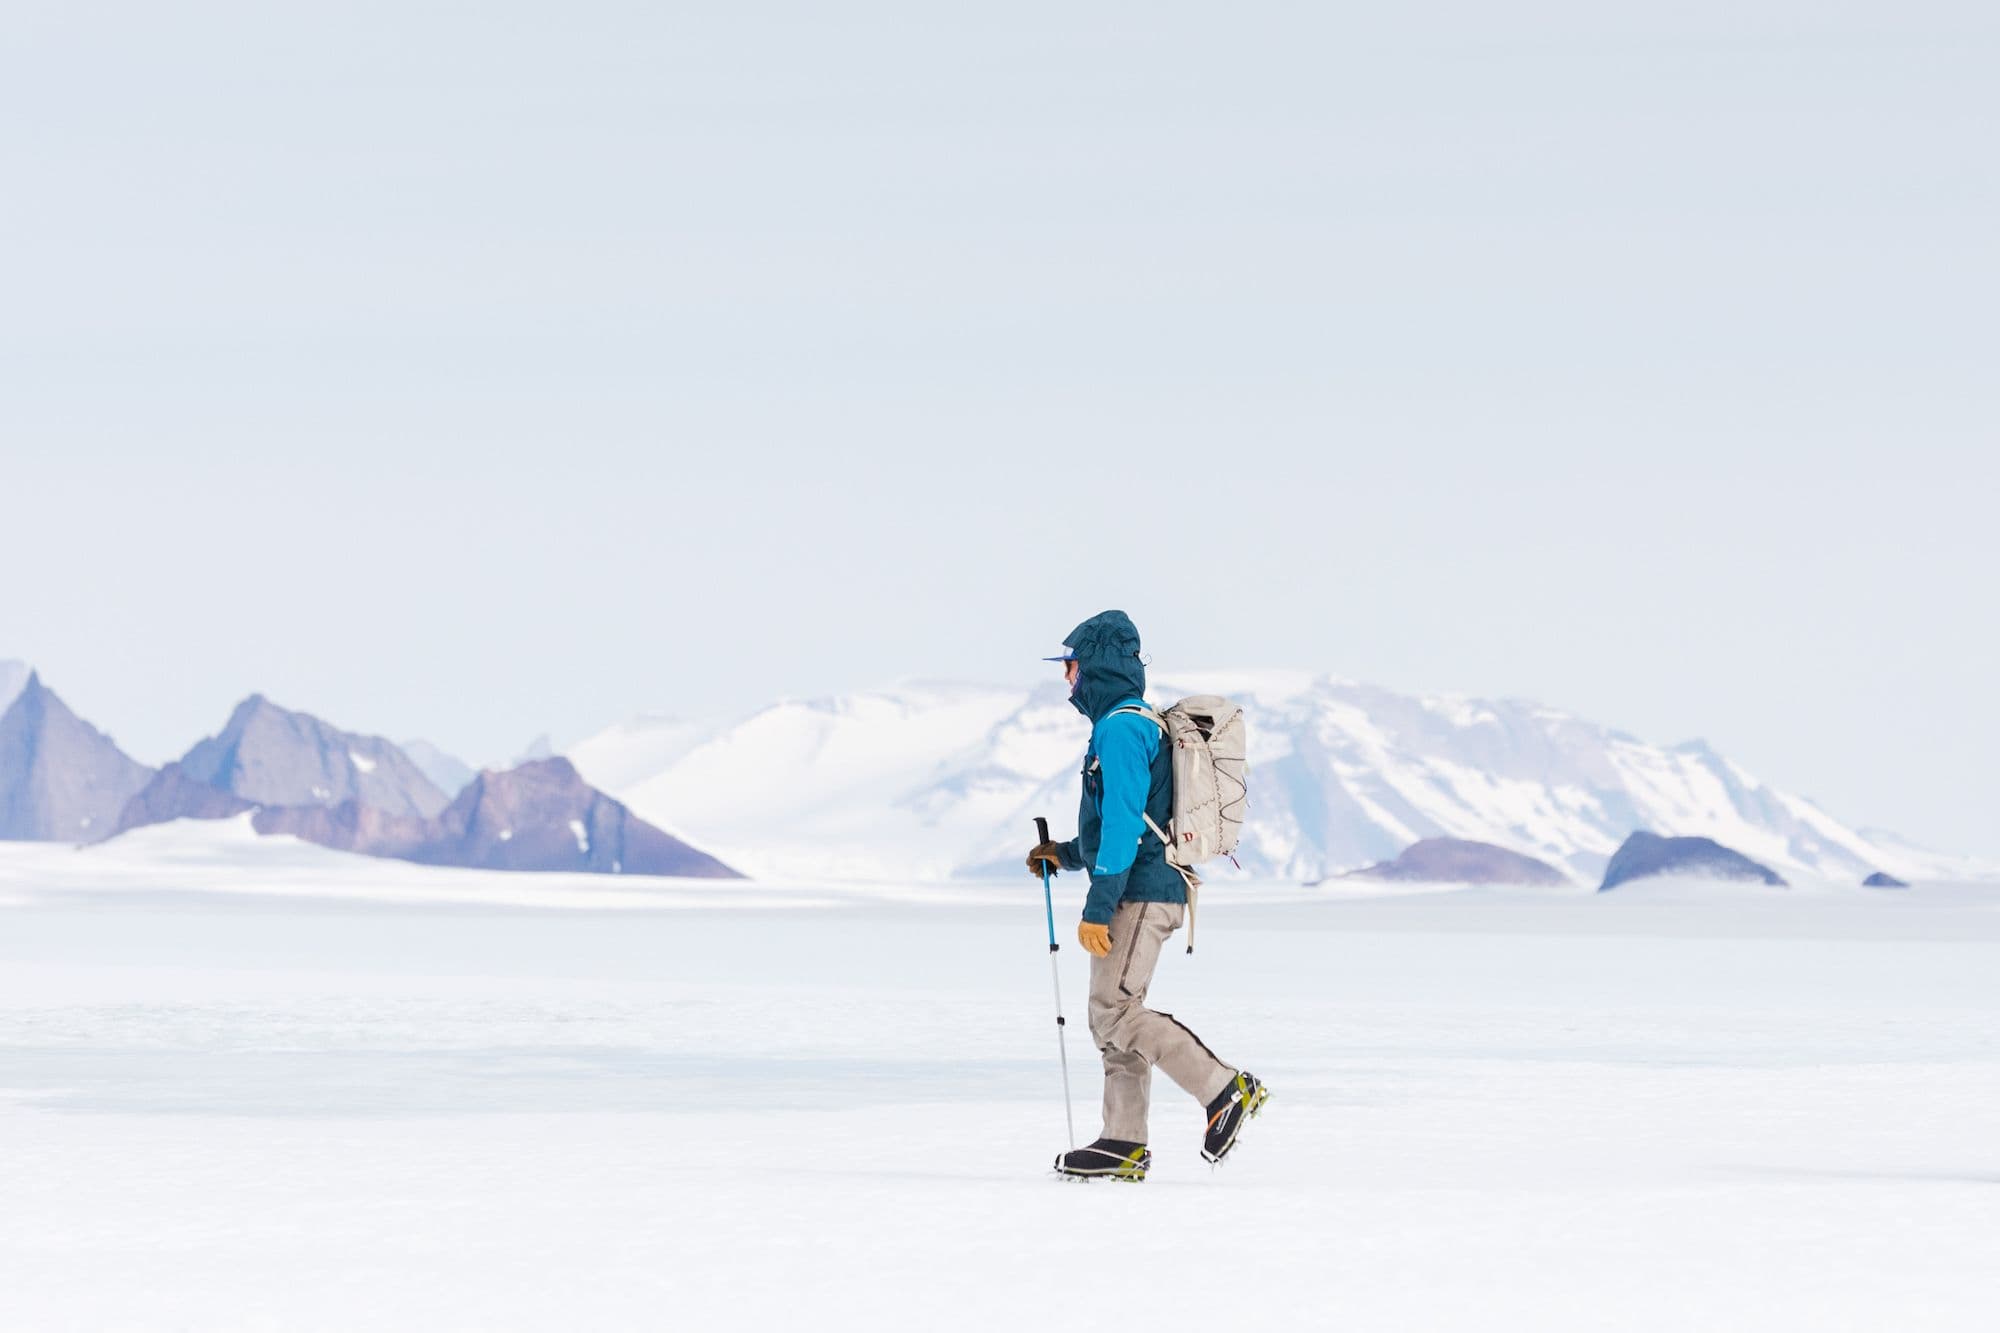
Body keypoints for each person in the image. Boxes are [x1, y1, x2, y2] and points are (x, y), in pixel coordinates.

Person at [1026, 609, 1266, 1180]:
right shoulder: (1121, 724)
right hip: (1136, 885)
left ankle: (1224, 1087)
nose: (1067, 679)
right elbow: (1119, 821)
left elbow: (1126, 825)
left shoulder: (1122, 728)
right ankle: (1122, 1142)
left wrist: (1098, 905)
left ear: (1097, 667)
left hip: (1138, 892)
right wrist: (1064, 853)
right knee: (1110, 1017)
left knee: (1115, 1012)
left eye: (1072, 666)